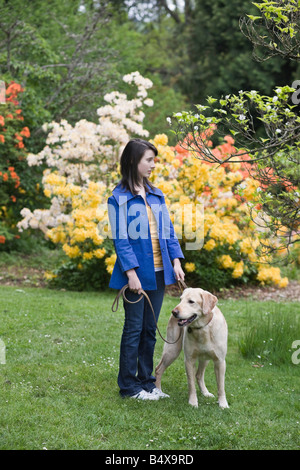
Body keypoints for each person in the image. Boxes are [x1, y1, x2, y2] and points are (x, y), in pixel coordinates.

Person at [107, 138, 185, 400]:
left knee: (150, 329)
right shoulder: (118, 199)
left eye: (154, 159)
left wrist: (175, 260)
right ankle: (129, 387)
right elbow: (121, 240)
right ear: (132, 161)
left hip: (160, 272)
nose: (153, 164)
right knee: (134, 329)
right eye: (148, 160)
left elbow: (169, 231)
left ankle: (148, 383)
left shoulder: (156, 194)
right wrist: (131, 274)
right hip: (137, 274)